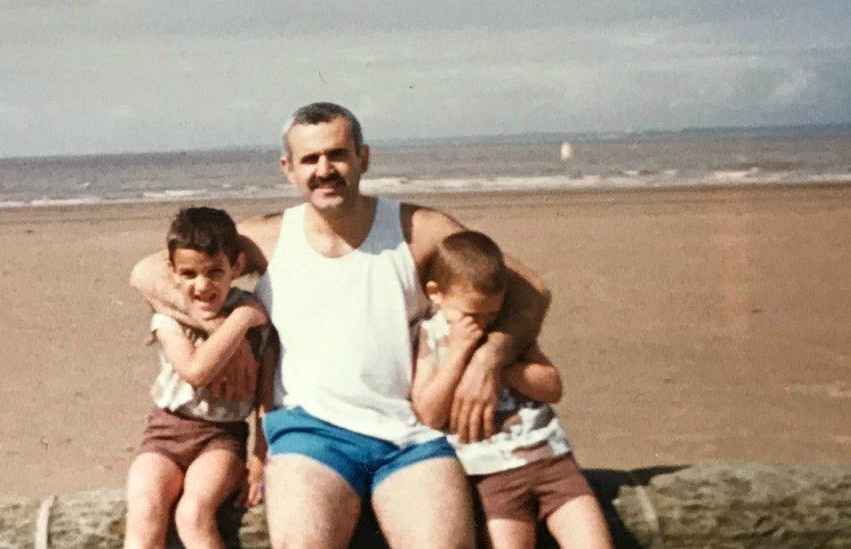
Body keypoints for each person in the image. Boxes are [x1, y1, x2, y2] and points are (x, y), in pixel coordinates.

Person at [129, 102, 551, 548]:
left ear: (362, 158)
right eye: (309, 159)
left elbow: (530, 288)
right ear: (288, 169)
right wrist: (220, 330)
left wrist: (489, 359)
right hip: (308, 435)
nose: (324, 169)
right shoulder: (266, 237)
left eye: (337, 155)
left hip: (411, 435)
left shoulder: (417, 229)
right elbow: (148, 272)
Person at [412, 230, 611, 549]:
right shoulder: (431, 337)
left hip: (552, 462)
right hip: (490, 476)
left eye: (492, 313)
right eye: (471, 314)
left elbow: (552, 387)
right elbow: (428, 413)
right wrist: (459, 354)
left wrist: (497, 362)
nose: (483, 323)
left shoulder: (503, 335)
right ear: (436, 294)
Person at [124, 207, 275, 549]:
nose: (202, 285)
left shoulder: (258, 321)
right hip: (165, 432)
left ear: (236, 268)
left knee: (193, 514)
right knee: (145, 510)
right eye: (189, 274)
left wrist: (259, 455)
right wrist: (239, 321)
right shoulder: (170, 316)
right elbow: (195, 371)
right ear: (172, 272)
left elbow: (267, 395)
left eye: (214, 272)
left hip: (222, 438)